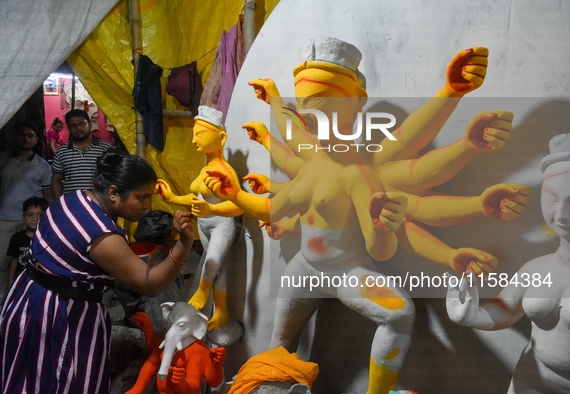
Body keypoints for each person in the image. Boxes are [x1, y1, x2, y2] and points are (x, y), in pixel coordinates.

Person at [205, 38, 526, 393]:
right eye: (307, 110)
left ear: (356, 104)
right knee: (276, 350)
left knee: (399, 313)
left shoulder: (359, 173)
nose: (313, 120)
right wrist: (235, 193)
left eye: (323, 109)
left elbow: (383, 250)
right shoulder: (313, 160)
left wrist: (451, 92)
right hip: (303, 268)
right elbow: (274, 203)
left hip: (346, 273)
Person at [0, 149, 196, 394]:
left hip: (27, 298)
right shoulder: (100, 233)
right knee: (59, 380)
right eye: (141, 197)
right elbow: (149, 283)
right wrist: (184, 245)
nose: (147, 206)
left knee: (26, 376)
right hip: (58, 315)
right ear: (113, 193)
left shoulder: (73, 198)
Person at [446, 133, 570, 393]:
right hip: (531, 380)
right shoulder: (537, 268)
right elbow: (505, 311)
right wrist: (471, 314)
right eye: (551, 199)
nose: (560, 215)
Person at [156, 105, 243, 331]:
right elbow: (196, 197)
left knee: (211, 263)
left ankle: (203, 291)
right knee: (218, 269)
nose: (195, 140)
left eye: (200, 134)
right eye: (195, 134)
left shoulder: (225, 171)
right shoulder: (206, 168)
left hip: (221, 225)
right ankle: (222, 312)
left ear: (221, 138)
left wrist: (211, 210)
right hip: (204, 225)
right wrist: (173, 198)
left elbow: (239, 206)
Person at [0, 120, 53, 307]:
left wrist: (50, 220)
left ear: (37, 139)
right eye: (22, 135)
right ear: (15, 137)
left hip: (33, 220)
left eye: (30, 135)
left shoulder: (42, 165)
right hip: (5, 218)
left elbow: (48, 194)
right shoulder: (2, 159)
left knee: (33, 261)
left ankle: (32, 298)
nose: (25, 138)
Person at [51, 109, 112, 200]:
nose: (78, 128)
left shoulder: (106, 148)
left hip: (100, 205)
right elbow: (56, 180)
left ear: (90, 124)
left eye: (82, 124)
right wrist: (59, 203)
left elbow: (114, 177)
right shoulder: (61, 152)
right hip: (71, 205)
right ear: (69, 128)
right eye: (73, 125)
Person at [6, 196, 48, 286]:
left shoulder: (48, 238)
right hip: (22, 280)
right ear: (23, 217)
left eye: (40, 215)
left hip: (43, 281)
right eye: (30, 215)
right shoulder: (17, 238)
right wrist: (10, 280)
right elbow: (14, 260)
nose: (34, 219)